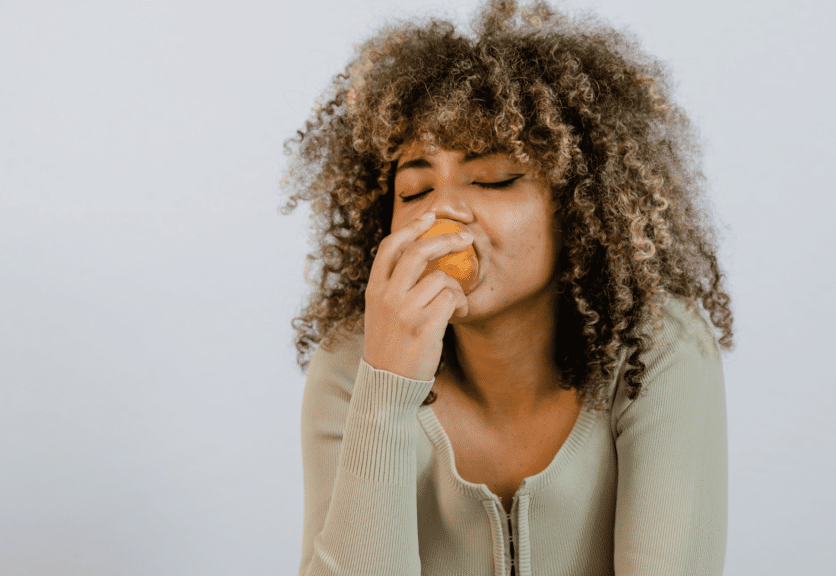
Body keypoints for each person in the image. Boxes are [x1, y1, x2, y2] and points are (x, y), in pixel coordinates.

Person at [279, 1, 736, 574]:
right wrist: (387, 387)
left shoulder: (658, 349)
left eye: (494, 178)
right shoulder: (352, 366)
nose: (442, 210)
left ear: (577, 205)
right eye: (415, 190)